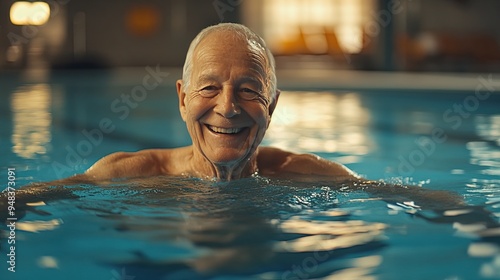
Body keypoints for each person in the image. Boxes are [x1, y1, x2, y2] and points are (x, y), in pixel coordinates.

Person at [70, 22, 357, 183]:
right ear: (183, 101)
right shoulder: (125, 176)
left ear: (270, 108)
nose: (227, 107)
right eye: (209, 88)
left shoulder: (310, 176)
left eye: (248, 90)